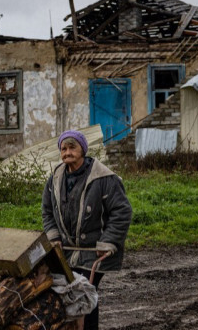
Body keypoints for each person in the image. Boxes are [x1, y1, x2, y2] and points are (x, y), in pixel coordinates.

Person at [42, 129, 132, 330]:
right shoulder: (55, 178)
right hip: (66, 250)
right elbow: (47, 211)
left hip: (94, 250)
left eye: (72, 147)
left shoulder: (104, 178)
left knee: (85, 292)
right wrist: (54, 235)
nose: (67, 152)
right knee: (65, 293)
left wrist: (108, 240)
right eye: (63, 148)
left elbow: (122, 212)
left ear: (83, 149)